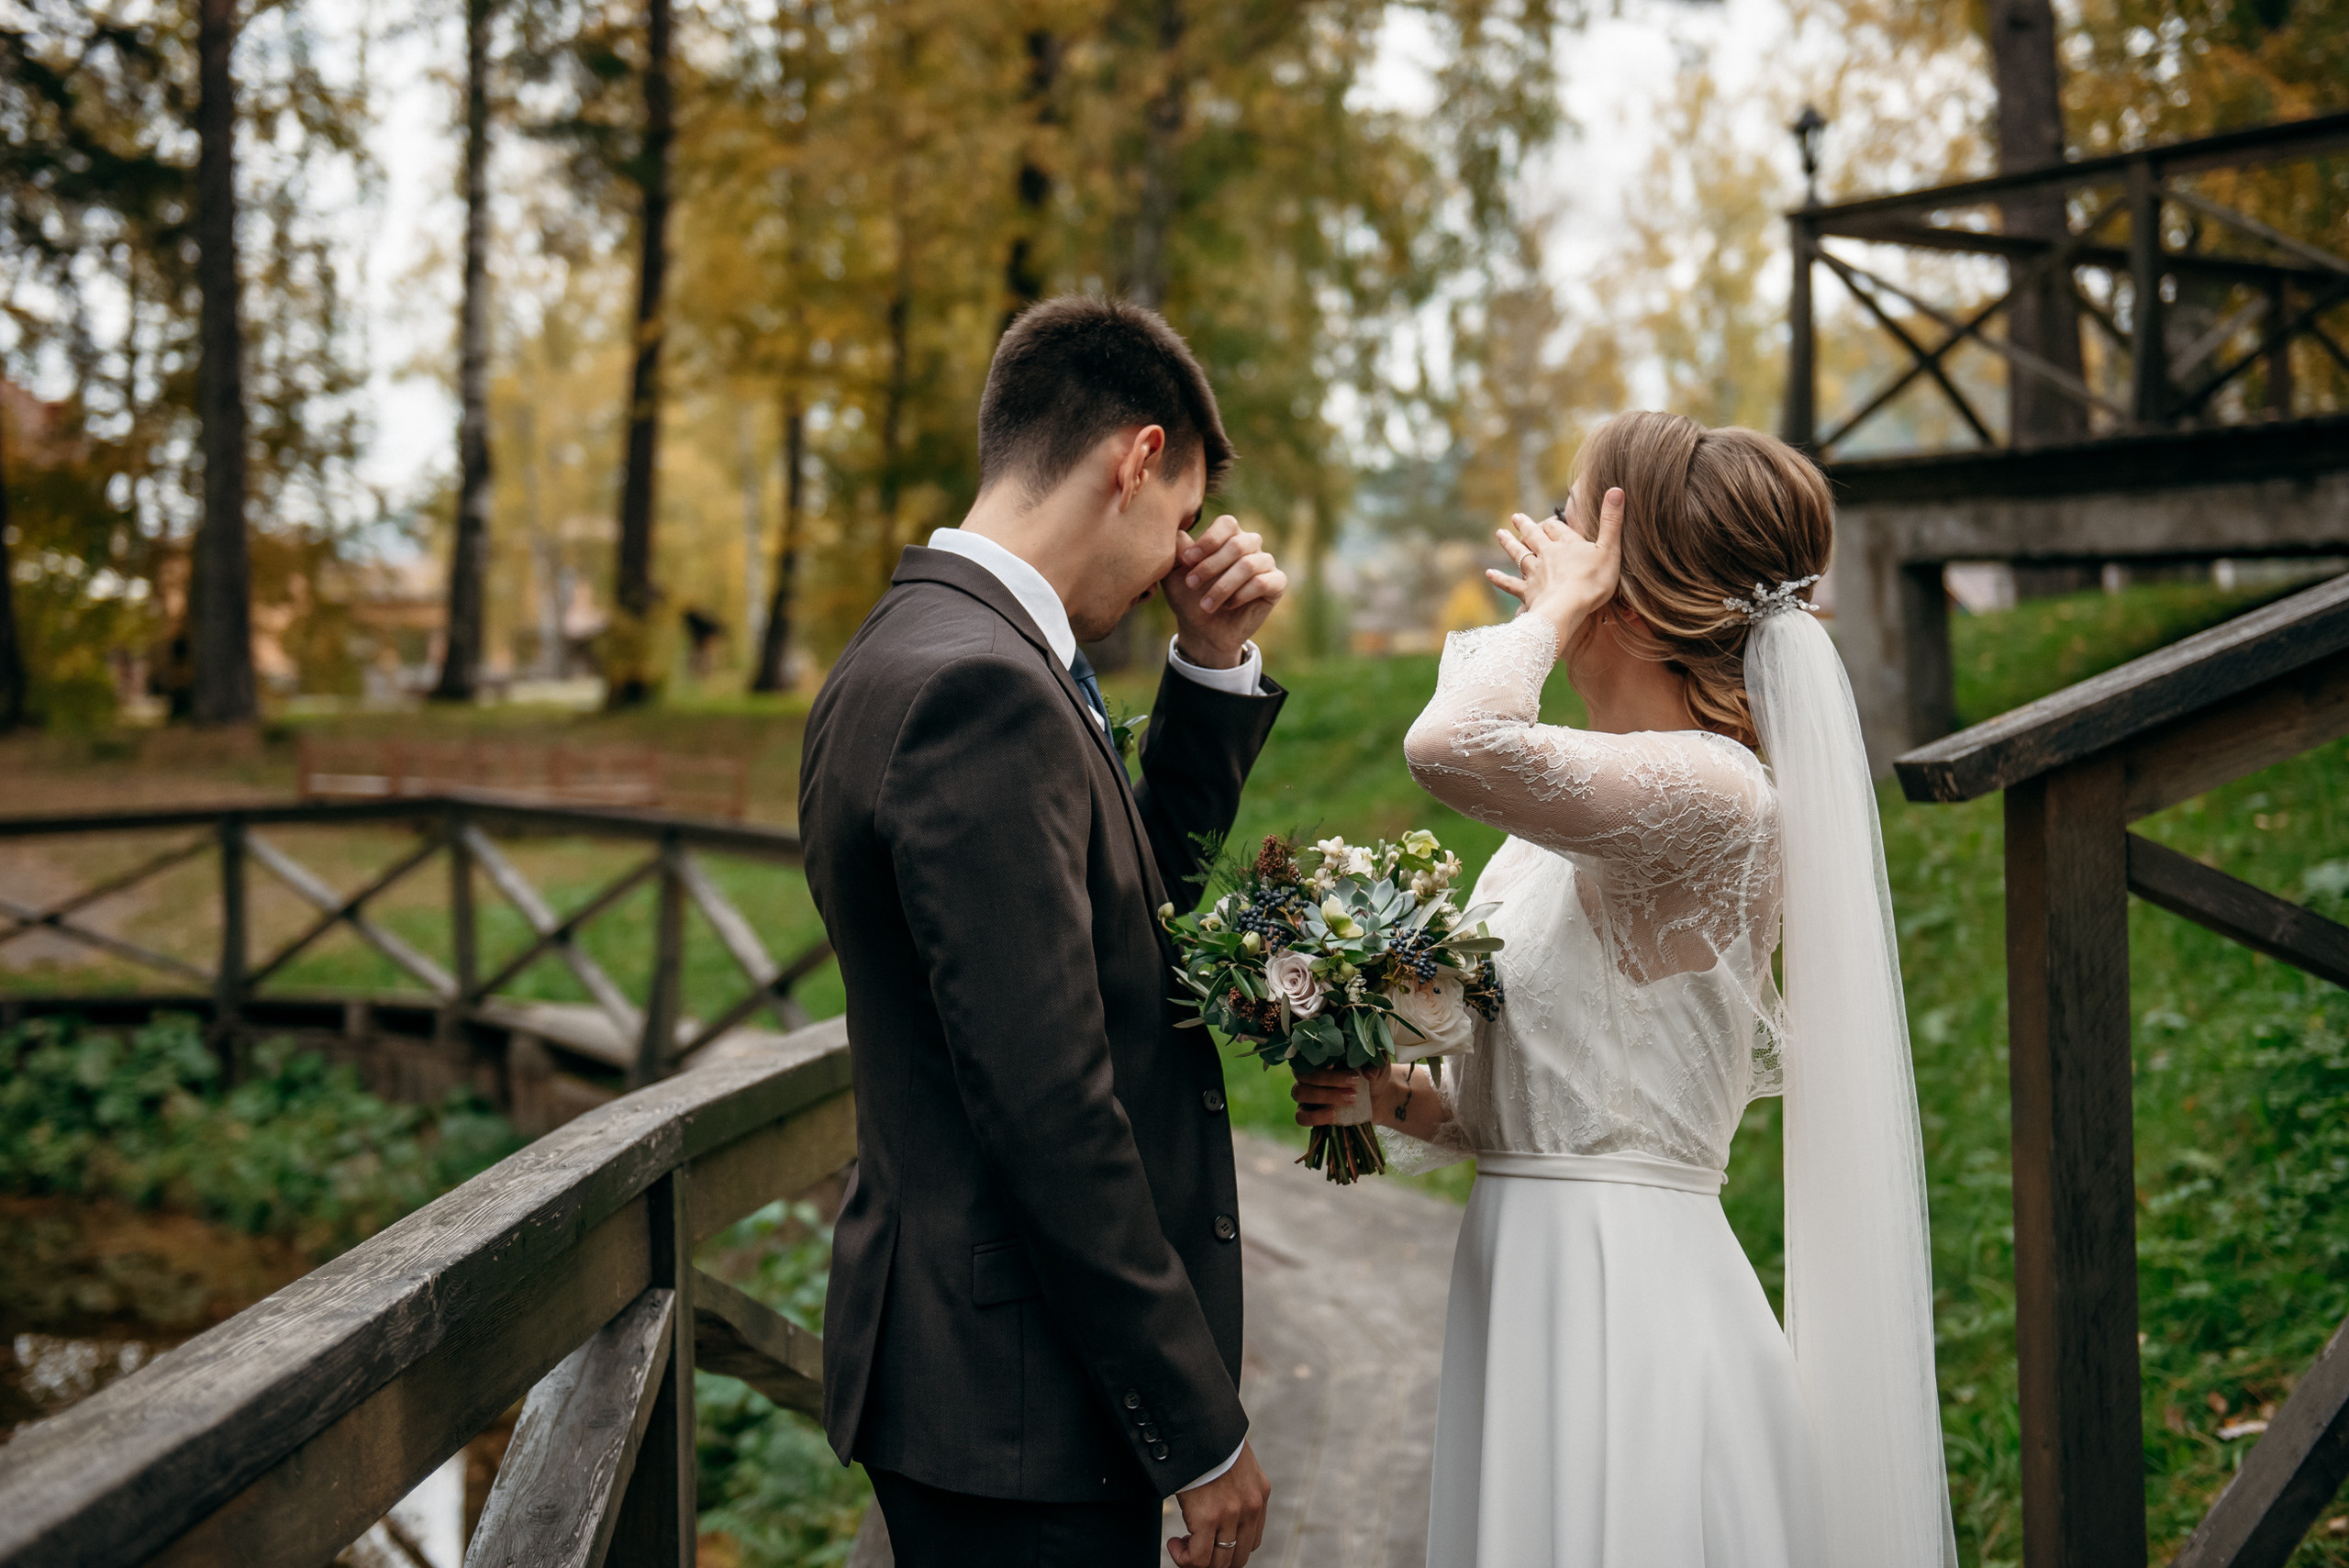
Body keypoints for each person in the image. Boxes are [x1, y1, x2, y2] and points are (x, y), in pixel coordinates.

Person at [1296, 411, 1957, 1567]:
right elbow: (1556, 1102)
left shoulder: (1717, 793)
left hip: (1626, 1296)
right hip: (1527, 1273)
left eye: (1571, 527)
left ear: (1634, 593)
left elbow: (1448, 743)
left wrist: (1541, 620)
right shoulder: (1571, 817)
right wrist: (1388, 1096)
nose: (1543, 548)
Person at [800, 295, 1287, 1568]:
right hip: (1019, 1402)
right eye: (1180, 519)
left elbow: (1125, 921)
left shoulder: (916, 650)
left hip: (983, 1387)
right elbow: (1052, 1107)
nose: (1177, 556)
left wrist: (1212, 661)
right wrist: (1199, 1428)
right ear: (1135, 459)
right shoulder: (983, 691)